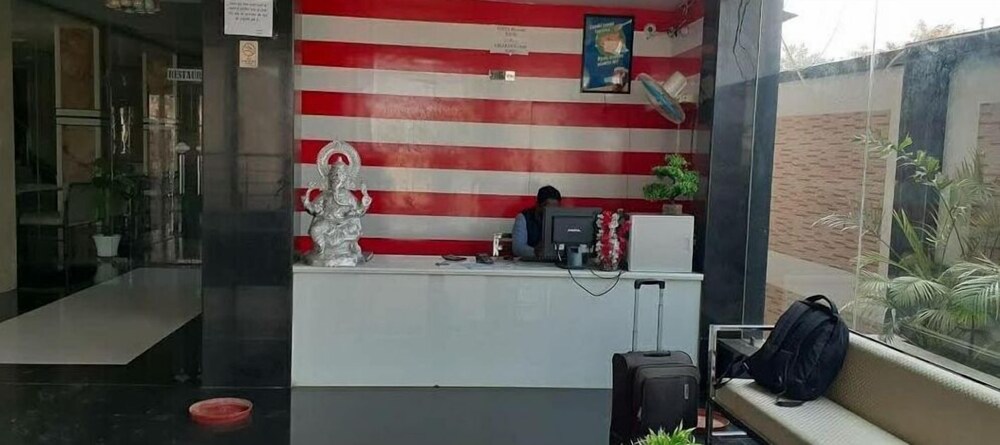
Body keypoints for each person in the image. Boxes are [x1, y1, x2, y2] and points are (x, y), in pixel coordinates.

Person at [512, 185, 562, 258]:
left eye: (555, 210)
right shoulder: (523, 218)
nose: (552, 213)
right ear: (538, 205)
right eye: (549, 209)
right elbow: (517, 248)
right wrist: (535, 251)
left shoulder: (560, 219)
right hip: (530, 263)